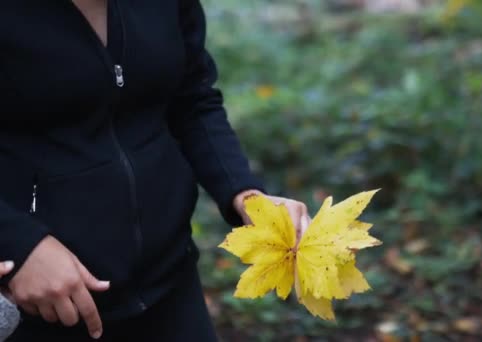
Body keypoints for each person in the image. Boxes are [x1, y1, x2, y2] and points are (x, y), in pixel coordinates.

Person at [0, 0, 310, 341]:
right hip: (42, 304)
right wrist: (18, 244)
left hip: (170, 282)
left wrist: (246, 195)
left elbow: (191, 99)